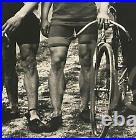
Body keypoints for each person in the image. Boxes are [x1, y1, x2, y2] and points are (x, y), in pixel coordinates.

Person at [41, 2, 109, 132]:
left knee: (87, 60)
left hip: (87, 16)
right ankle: (56, 113)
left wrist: (103, 11)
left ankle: (85, 108)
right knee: (57, 60)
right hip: (60, 17)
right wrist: (44, 18)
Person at [2, 2, 46, 132]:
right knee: (6, 62)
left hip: (26, 14)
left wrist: (19, 16)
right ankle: (13, 107)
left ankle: (33, 113)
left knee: (29, 63)